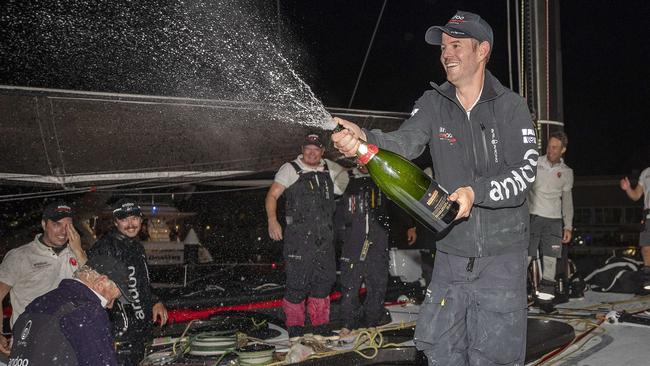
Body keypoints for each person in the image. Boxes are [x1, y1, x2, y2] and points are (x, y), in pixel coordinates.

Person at [332, 10, 538, 365]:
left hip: (502, 257)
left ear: (482, 50)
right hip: (450, 253)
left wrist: (475, 192)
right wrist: (364, 139)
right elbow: (406, 142)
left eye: (456, 45)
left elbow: (524, 173)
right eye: (443, 47)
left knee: (495, 356)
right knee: (440, 348)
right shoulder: (432, 103)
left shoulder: (511, 107)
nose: (446, 54)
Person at [265, 133, 349, 338]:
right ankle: (295, 332)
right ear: (302, 149)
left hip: (325, 240)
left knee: (324, 283)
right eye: (308, 148)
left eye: (316, 149)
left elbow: (346, 179)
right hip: (298, 240)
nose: (311, 153)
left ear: (322, 152)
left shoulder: (330, 171)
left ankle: (320, 330)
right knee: (297, 284)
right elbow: (272, 195)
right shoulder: (290, 169)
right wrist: (272, 220)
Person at [8, 255, 134, 366]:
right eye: (112, 298)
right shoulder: (88, 311)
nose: (110, 306)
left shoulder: (37, 303)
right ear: (100, 283)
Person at [0, 201, 87, 356]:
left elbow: (94, 290)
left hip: (68, 342)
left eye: (68, 225)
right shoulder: (20, 256)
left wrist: (79, 251)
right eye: (57, 224)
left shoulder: (78, 254)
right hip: (28, 342)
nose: (63, 231)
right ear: (44, 224)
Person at [338, 163, 416, 336]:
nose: (363, 165)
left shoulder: (381, 179)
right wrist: (342, 238)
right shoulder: (345, 179)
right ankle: (347, 324)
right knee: (350, 285)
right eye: (360, 161)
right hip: (353, 244)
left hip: (378, 242)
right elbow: (336, 212)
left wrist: (410, 226)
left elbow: (398, 203)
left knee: (378, 283)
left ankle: (372, 322)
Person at [88, 198, 168, 366]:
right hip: (120, 335)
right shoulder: (106, 247)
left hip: (139, 331)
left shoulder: (136, 246)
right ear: (116, 222)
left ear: (141, 220)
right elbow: (94, 291)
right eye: (124, 219)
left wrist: (155, 301)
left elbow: (141, 282)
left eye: (134, 218)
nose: (130, 224)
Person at [528, 131, 574, 301]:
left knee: (550, 259)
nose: (551, 150)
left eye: (555, 147)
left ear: (563, 150)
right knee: (526, 255)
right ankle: (513, 293)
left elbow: (567, 202)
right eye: (549, 146)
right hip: (533, 216)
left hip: (554, 221)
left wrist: (568, 225)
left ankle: (546, 300)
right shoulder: (535, 163)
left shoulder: (567, 172)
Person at [620, 167, 650, 292]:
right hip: (648, 215)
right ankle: (648, 278)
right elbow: (636, 196)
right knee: (646, 248)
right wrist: (628, 189)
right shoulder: (646, 172)